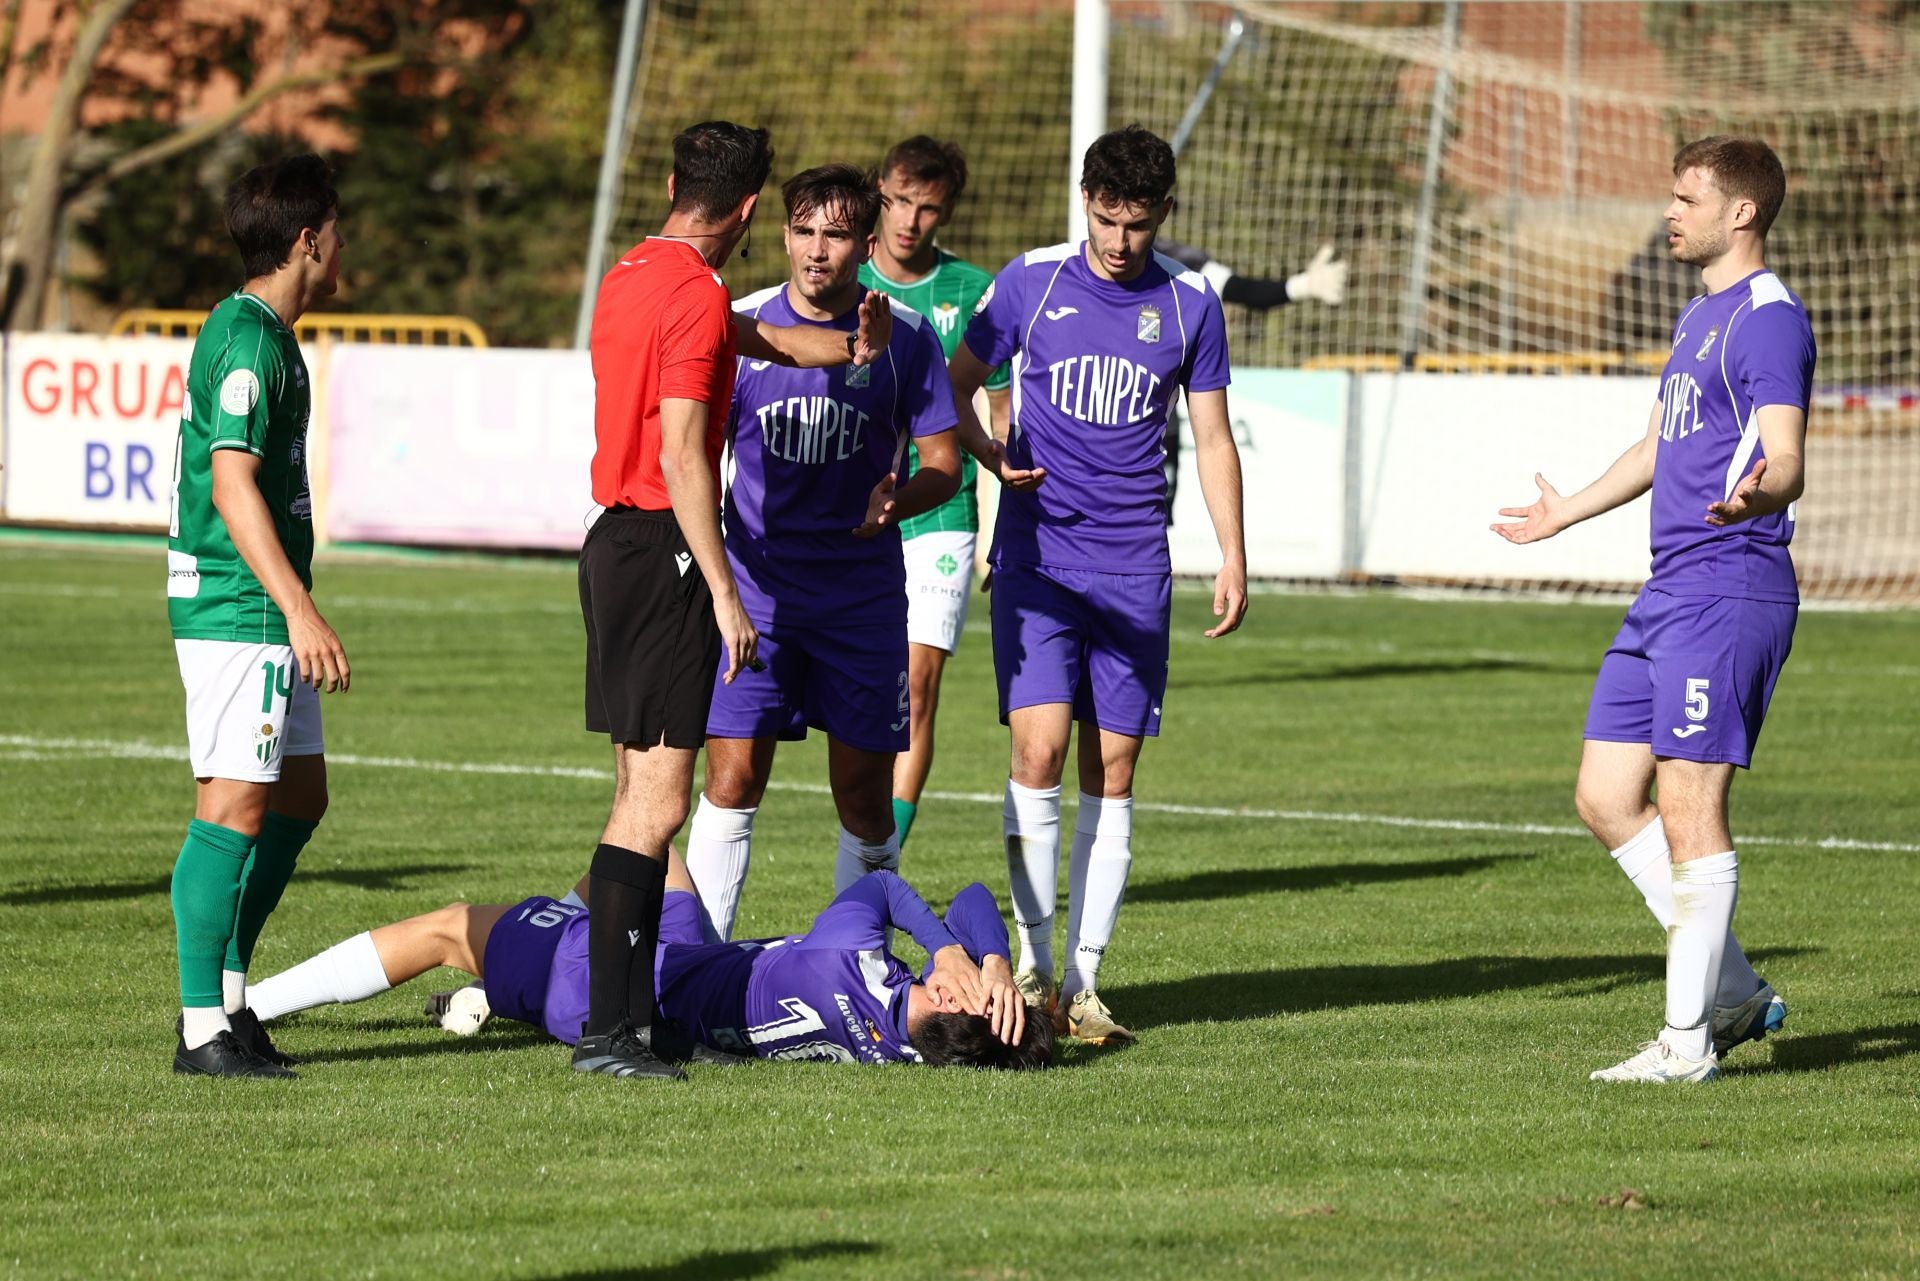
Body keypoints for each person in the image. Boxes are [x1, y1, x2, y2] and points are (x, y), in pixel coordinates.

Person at [1492, 136, 1813, 1083]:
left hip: (1730, 580)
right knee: (1602, 795)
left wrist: (1765, 490)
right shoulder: (1698, 314)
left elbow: (1787, 453)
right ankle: (1737, 989)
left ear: (1740, 213)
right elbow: (1657, 443)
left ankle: (1686, 1045)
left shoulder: (1766, 318)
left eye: (1686, 198)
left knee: (1687, 801)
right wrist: (1568, 511)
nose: (1669, 212)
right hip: (1669, 585)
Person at [579, 123, 895, 1080]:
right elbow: (683, 456)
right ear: (755, 210)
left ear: (677, 183)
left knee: (642, 793)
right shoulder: (695, 293)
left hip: (614, 545)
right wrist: (723, 592)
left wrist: (853, 347)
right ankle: (609, 1031)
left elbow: (770, 341)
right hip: (667, 546)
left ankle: (635, 1018)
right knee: (660, 800)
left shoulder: (634, 269)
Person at [946, 125, 1247, 1045]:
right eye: (1107, 219)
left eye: (1138, 223)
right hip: (1039, 562)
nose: (1120, 241)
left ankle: (1084, 982)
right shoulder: (1029, 283)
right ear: (1086, 201)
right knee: (1035, 754)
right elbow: (951, 384)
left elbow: (1214, 436)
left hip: (1135, 568)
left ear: (1164, 213)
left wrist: (1233, 553)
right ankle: (1036, 967)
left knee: (1110, 771)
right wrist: (992, 457)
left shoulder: (1191, 305)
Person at [681, 164, 961, 942]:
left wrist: (897, 500)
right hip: (757, 595)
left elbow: (942, 460)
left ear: (865, 244)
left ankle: (858, 962)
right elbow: (692, 456)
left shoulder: (906, 339)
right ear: (781, 234)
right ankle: (694, 968)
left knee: (865, 799)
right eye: (803, 230)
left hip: (862, 603)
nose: (815, 250)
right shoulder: (737, 327)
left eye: (835, 234)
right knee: (732, 780)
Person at [244, 853, 1050, 1071]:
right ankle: (537, 942)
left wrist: (955, 944)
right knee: (645, 837)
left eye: (976, 990)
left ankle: (248, 1007)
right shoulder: (900, 1037)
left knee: (449, 928)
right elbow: (978, 899)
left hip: (619, 985)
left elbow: (883, 882)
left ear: (955, 997)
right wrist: (995, 961)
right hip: (689, 962)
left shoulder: (849, 963)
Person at [162, 154, 349, 1079]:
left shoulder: (273, 335)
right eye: (337, 227)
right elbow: (233, 486)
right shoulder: (245, 340)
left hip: (264, 612)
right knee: (230, 807)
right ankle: (203, 1030)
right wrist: (300, 608)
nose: (342, 242)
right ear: (309, 239)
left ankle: (231, 998)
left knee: (300, 797)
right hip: (240, 610)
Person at [854, 136, 1011, 848]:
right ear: (880, 190)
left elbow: (1000, 417)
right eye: (900, 201)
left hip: (942, 511)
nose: (912, 221)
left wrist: (1001, 525)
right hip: (857, 510)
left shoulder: (973, 290)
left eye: (929, 209)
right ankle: (859, 838)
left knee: (917, 689)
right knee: (856, 696)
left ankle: (881, 860)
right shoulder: (838, 277)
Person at [1153, 239, 1346, 513]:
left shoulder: (1180, 267)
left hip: (1158, 430)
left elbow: (1244, 290)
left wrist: (1303, 285)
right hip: (1095, 433)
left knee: (1149, 528)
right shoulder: (1073, 266)